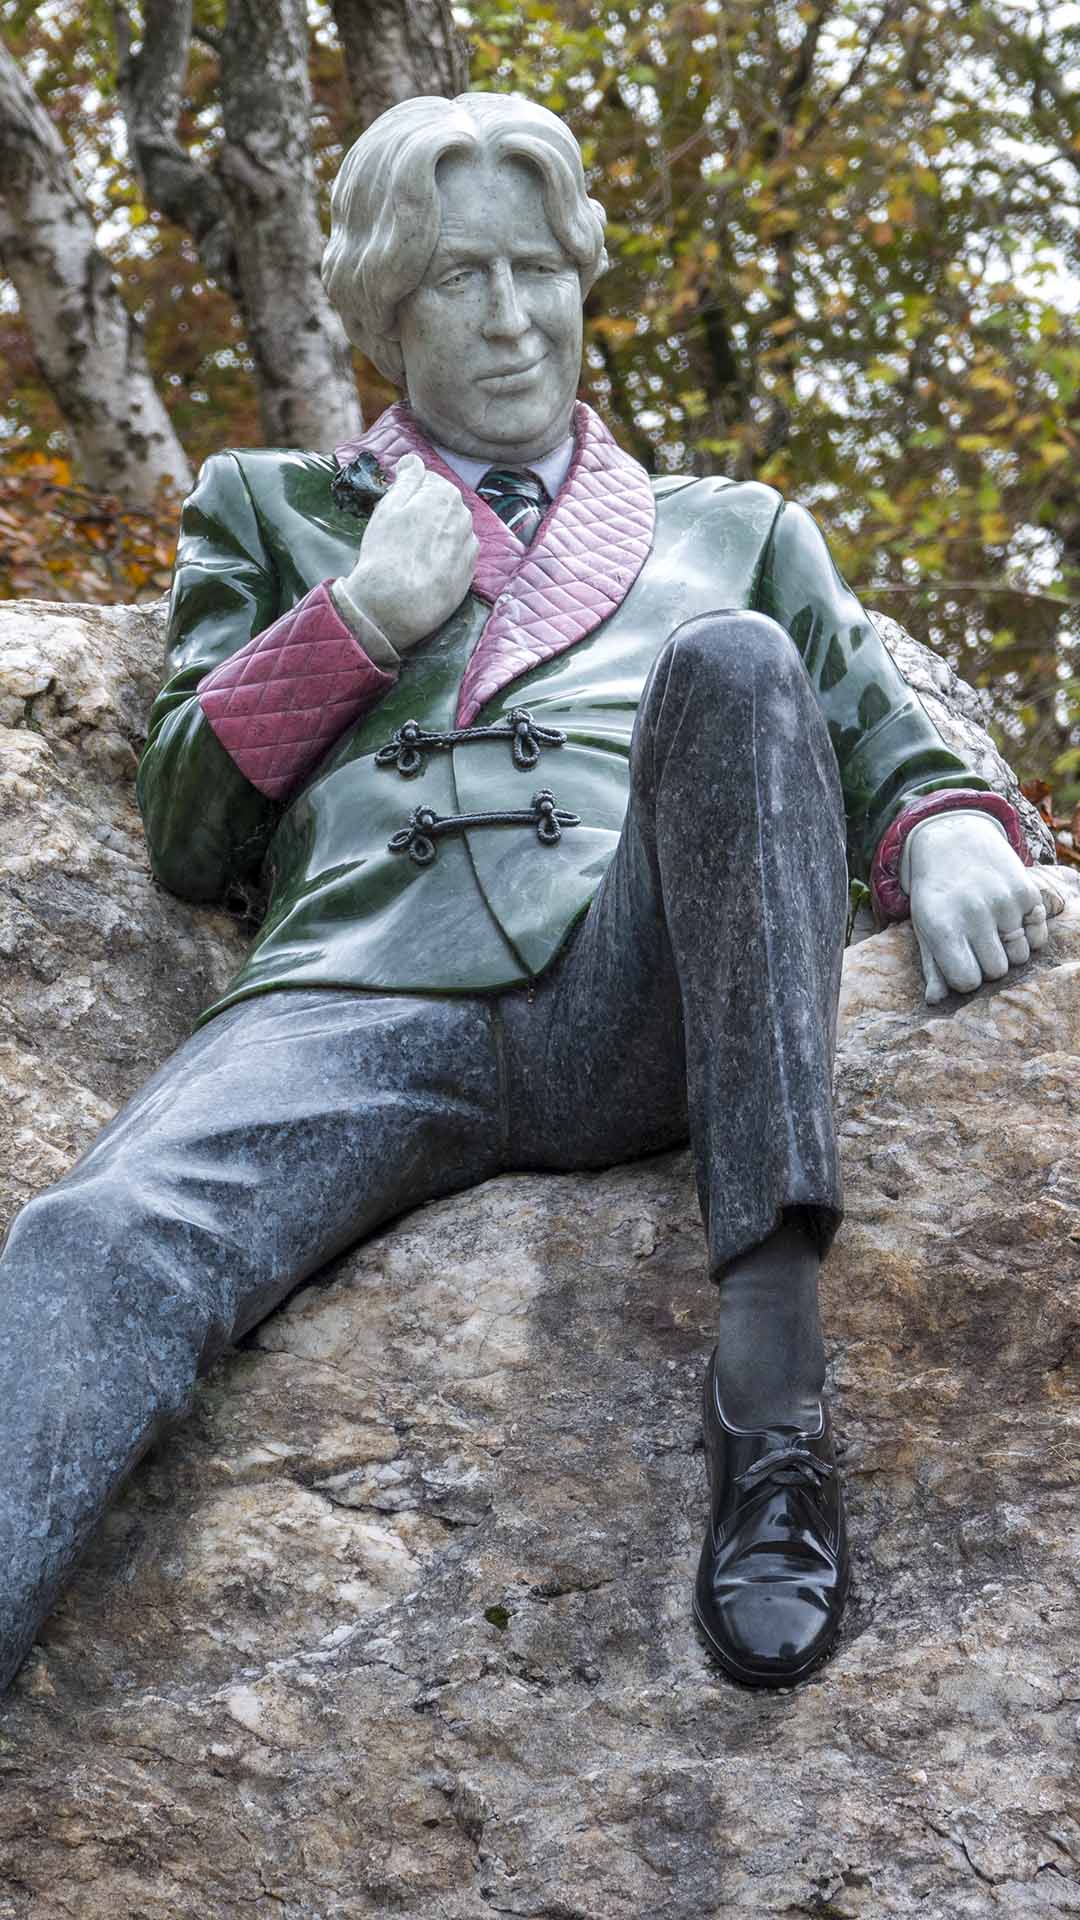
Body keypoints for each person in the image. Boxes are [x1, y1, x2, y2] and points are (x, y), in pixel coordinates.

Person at [0, 92, 1054, 1694]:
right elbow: (184, 829)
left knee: (738, 661)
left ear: (579, 276)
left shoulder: (735, 527)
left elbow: (865, 726)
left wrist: (946, 823)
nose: (508, 319)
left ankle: (772, 1410)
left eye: (535, 270)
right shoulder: (269, 507)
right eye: (455, 281)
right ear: (380, 308)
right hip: (359, 1001)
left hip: (626, 996)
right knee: (93, 1235)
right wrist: (358, 614)